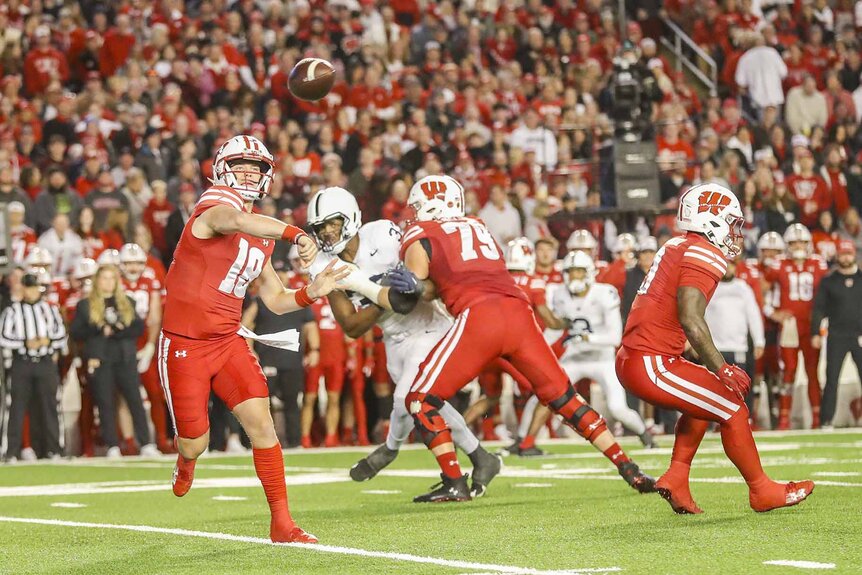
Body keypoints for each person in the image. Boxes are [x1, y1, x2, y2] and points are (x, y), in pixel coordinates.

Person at [344, 175, 654, 502]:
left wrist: (374, 286)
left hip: (480, 318)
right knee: (565, 398)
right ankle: (627, 467)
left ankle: (453, 481)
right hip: (519, 313)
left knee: (420, 400)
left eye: (417, 206)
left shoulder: (420, 233)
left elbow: (408, 297)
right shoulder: (479, 226)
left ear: (427, 205)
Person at [158, 135, 347, 544]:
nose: (250, 172)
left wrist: (308, 294)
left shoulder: (262, 230)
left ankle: (283, 524)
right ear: (223, 167)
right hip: (185, 343)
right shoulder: (213, 205)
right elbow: (235, 221)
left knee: (263, 426)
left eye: (257, 167)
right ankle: (186, 459)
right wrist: (296, 232)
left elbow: (275, 299)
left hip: (227, 340)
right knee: (196, 442)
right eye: (242, 164)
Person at [616, 183, 814, 514]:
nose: (735, 234)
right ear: (712, 219)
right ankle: (761, 490)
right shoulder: (703, 251)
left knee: (704, 401)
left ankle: (677, 476)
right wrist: (720, 365)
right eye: (732, 223)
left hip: (641, 356)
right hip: (651, 361)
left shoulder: (678, 243)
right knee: (733, 406)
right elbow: (691, 318)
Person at [305, 185, 501, 497]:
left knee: (408, 400)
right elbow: (351, 326)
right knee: (430, 405)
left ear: (351, 218)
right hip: (394, 340)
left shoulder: (383, 234)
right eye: (321, 227)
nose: (327, 233)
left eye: (333, 223)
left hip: (428, 325)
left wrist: (408, 291)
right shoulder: (322, 266)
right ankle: (482, 458)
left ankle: (438, 472)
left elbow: (425, 277)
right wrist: (386, 299)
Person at [554, 250, 655, 447]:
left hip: (602, 359)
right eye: (571, 272)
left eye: (579, 272)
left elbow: (614, 337)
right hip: (574, 357)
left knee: (617, 408)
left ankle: (644, 434)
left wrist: (586, 337)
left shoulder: (604, 293)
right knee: (543, 395)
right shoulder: (558, 294)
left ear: (589, 273)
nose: (574, 277)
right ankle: (525, 440)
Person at [70, 264, 158, 458]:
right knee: (105, 402)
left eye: (112, 278)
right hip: (101, 358)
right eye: (104, 278)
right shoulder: (85, 304)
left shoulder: (128, 302)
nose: (108, 282)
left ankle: (146, 443)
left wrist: (116, 330)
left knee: (135, 401)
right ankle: (112, 445)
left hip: (125, 357)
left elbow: (138, 328)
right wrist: (100, 329)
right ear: (97, 281)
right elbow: (76, 332)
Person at [763, 224, 828, 429]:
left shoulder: (818, 263)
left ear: (809, 244)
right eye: (794, 242)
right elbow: (760, 291)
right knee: (788, 372)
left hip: (811, 326)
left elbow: (828, 294)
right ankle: (784, 419)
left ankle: (816, 419)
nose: (798, 246)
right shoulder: (779, 264)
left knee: (813, 372)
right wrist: (773, 313)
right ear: (787, 245)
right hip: (790, 326)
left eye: (802, 242)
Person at [0, 272, 67, 462]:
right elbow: (3, 337)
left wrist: (48, 341)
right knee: (16, 406)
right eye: (26, 287)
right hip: (23, 362)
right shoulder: (12, 311)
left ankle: (55, 449)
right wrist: (24, 343)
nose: (29, 291)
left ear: (38, 288)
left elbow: (61, 335)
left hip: (45, 361)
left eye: (32, 287)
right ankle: (10, 451)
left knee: (51, 405)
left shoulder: (50, 310)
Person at [118, 243, 170, 453]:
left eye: (137, 262)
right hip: (122, 343)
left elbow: (155, 315)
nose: (132, 268)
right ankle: (129, 441)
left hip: (146, 340)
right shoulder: (116, 283)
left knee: (155, 392)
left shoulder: (150, 281)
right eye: (128, 263)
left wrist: (150, 344)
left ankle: (160, 438)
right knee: (124, 395)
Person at [704, 259, 766, 423]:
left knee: (741, 384)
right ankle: (715, 419)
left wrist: (759, 340)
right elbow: (702, 316)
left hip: (739, 345)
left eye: (730, 265)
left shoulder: (743, 288)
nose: (727, 269)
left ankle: (743, 417)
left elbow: (753, 314)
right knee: (715, 385)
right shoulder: (711, 287)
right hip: (715, 347)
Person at [811, 240, 862, 429]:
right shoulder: (828, 281)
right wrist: (815, 332)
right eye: (843, 254)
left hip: (859, 335)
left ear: (854, 255)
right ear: (837, 256)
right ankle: (826, 421)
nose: (846, 257)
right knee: (831, 379)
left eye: (848, 254)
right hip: (836, 335)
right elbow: (818, 309)